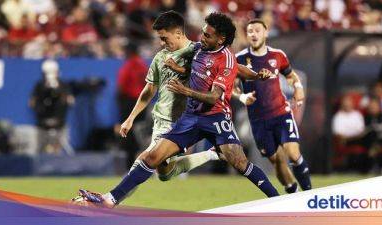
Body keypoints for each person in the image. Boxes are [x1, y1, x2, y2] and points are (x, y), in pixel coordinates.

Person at [74, 12, 278, 207]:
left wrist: (185, 90)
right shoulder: (200, 48)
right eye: (203, 32)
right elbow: (201, 69)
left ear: (221, 39)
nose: (202, 37)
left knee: (240, 163)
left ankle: (279, 201)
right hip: (190, 117)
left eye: (207, 35)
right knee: (152, 158)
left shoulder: (225, 58)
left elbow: (215, 95)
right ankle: (110, 200)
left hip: (216, 117)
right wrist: (180, 69)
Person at [235, 19, 312, 193]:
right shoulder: (239, 59)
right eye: (250, 31)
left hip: (281, 113)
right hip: (258, 120)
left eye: (257, 30)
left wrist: (298, 88)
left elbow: (291, 76)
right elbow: (232, 87)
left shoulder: (278, 55)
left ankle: (309, 194)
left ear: (266, 33)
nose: (254, 34)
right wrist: (242, 96)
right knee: (277, 160)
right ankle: (292, 190)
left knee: (292, 153)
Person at [29, 59, 74, 154]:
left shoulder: (63, 85)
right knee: (41, 148)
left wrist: (60, 94)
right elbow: (32, 103)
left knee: (60, 146)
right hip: (43, 121)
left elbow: (70, 101)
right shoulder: (39, 86)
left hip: (60, 121)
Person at [116, 43, 148, 169]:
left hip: (129, 102)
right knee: (141, 133)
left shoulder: (128, 65)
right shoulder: (143, 65)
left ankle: (130, 165)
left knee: (128, 134)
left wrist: (120, 102)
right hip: (142, 102)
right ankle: (145, 162)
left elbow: (121, 86)